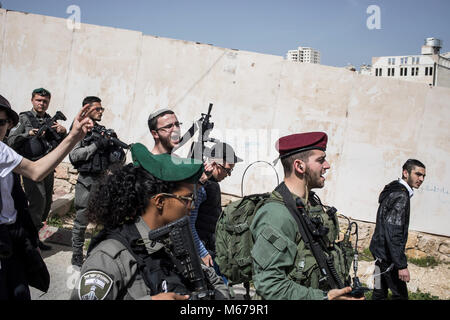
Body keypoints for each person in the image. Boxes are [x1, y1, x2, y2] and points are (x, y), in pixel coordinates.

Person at [71, 143, 230, 300]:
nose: (193, 205)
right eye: (188, 198)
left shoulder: (174, 241)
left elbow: (210, 278)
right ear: (160, 201)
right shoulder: (109, 257)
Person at [0, 94, 94, 300]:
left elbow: (35, 170)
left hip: (12, 232)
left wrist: (71, 136)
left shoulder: (3, 150)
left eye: (2, 122)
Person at [250, 131, 363, 300]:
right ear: (299, 166)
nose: (327, 165)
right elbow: (269, 284)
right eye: (320, 160)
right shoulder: (276, 215)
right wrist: (324, 298)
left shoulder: (308, 205)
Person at [69, 96, 126, 267]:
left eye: (102, 109)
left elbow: (118, 161)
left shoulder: (103, 131)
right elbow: (74, 155)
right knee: (81, 221)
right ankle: (77, 254)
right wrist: (96, 146)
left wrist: (116, 151)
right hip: (86, 182)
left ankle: (95, 252)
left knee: (102, 221)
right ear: (86, 109)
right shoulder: (79, 130)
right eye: (97, 109)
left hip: (103, 181)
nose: (101, 112)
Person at [7, 88, 68, 250]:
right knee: (37, 202)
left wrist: (63, 132)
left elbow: (63, 144)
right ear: (32, 100)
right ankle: (28, 241)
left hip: (48, 168)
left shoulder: (50, 120)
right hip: (31, 166)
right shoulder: (23, 118)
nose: (42, 104)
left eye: (45, 101)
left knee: (46, 203)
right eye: (39, 100)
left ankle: (34, 237)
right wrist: (28, 133)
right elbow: (11, 140)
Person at [369, 159, 426, 300]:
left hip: (379, 254)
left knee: (378, 293)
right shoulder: (401, 195)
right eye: (418, 174)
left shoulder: (392, 189)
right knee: (400, 296)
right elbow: (394, 232)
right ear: (405, 173)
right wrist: (401, 266)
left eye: (423, 176)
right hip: (389, 258)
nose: (421, 179)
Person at [193, 142, 242, 267]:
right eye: (227, 170)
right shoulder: (201, 186)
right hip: (203, 252)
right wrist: (202, 252)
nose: (228, 175)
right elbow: (189, 223)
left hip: (212, 249)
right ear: (215, 164)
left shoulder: (213, 184)